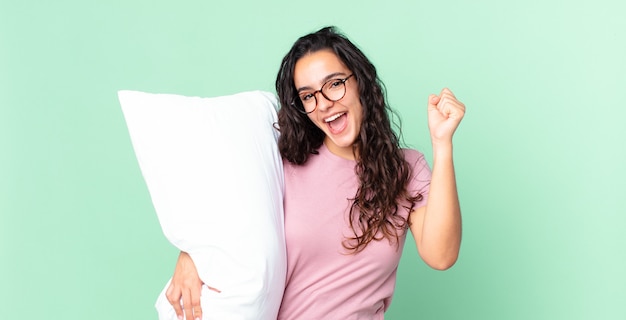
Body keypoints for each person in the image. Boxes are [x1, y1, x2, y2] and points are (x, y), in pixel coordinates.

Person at [166, 26, 465, 320]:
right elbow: (228, 221)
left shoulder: (406, 169)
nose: (323, 104)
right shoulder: (285, 163)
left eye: (334, 84)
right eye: (308, 96)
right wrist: (191, 255)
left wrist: (442, 144)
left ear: (360, 81)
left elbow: (441, 255)